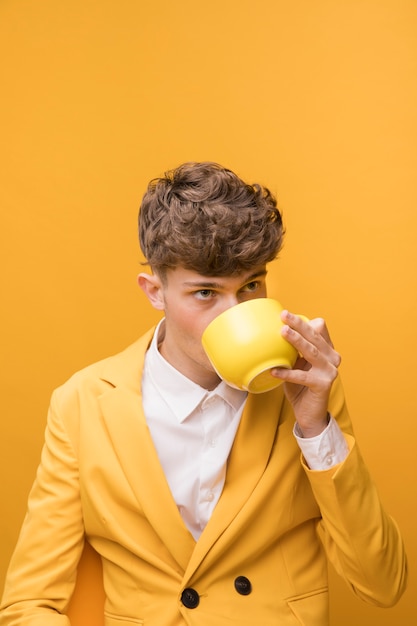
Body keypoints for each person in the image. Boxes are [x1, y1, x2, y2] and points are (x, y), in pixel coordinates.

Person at [0, 162, 407, 625]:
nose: (233, 314)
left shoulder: (306, 388)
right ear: (155, 292)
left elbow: (383, 585)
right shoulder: (82, 404)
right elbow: (28, 605)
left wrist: (316, 429)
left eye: (252, 285)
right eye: (205, 294)